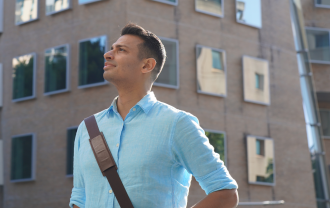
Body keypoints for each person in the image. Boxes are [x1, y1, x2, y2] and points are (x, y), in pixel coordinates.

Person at [69, 24, 238, 208]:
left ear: (146, 65)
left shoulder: (177, 123)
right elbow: (79, 198)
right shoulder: (87, 128)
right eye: (111, 49)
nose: (108, 54)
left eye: (121, 50)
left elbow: (225, 193)